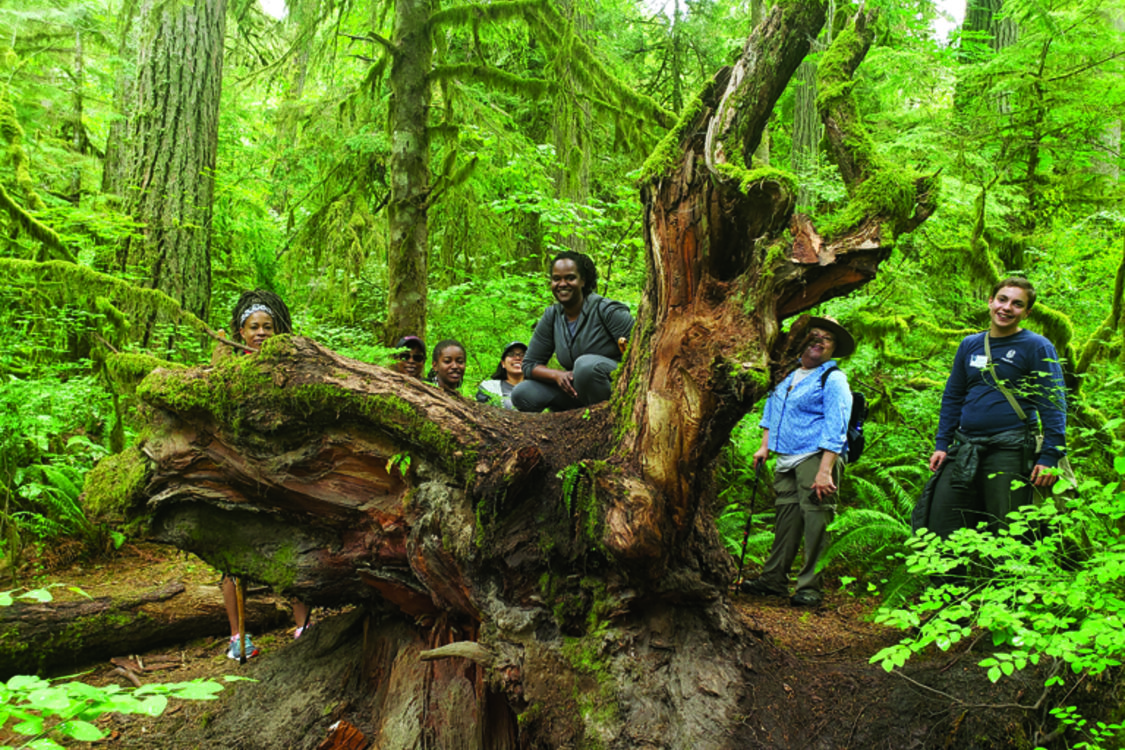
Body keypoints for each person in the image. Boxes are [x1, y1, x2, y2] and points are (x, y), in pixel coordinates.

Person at [923, 277, 1066, 540]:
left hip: (1011, 450)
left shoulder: (1036, 346)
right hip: (965, 447)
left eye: (1017, 304)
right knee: (943, 524)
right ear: (990, 301)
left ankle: (1011, 580)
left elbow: (1053, 402)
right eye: (1002, 299)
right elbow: (954, 395)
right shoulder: (970, 344)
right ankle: (949, 580)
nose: (1007, 307)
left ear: (1027, 312)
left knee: (1010, 530)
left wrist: (1049, 456)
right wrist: (942, 443)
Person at [220, 290, 313, 659]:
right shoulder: (228, 369)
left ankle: (303, 627)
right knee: (231, 557)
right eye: (254, 327)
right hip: (240, 471)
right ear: (241, 332)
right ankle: (237, 636)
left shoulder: (290, 367)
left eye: (267, 327)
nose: (261, 333)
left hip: (282, 470)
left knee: (294, 547)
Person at [740, 317, 855, 607]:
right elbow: (772, 408)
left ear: (833, 348)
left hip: (815, 457)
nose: (818, 341)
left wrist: (825, 470)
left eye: (826, 338)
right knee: (786, 520)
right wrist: (765, 446)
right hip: (786, 457)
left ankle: (810, 588)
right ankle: (773, 579)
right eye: (813, 335)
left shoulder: (833, 379)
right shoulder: (787, 373)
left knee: (816, 522)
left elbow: (837, 424)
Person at [511, 251, 634, 412]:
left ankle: (606, 419)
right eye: (556, 279)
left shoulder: (607, 310)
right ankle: (569, 423)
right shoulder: (552, 316)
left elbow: (641, 353)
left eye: (570, 278)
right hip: (575, 389)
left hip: (612, 385)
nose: (562, 284)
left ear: (583, 280)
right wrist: (557, 375)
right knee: (523, 392)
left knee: (585, 366)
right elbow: (529, 364)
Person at [475, 341, 526, 409]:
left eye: (522, 355)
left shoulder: (538, 389)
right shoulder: (489, 388)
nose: (517, 358)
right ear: (503, 363)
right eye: (511, 354)